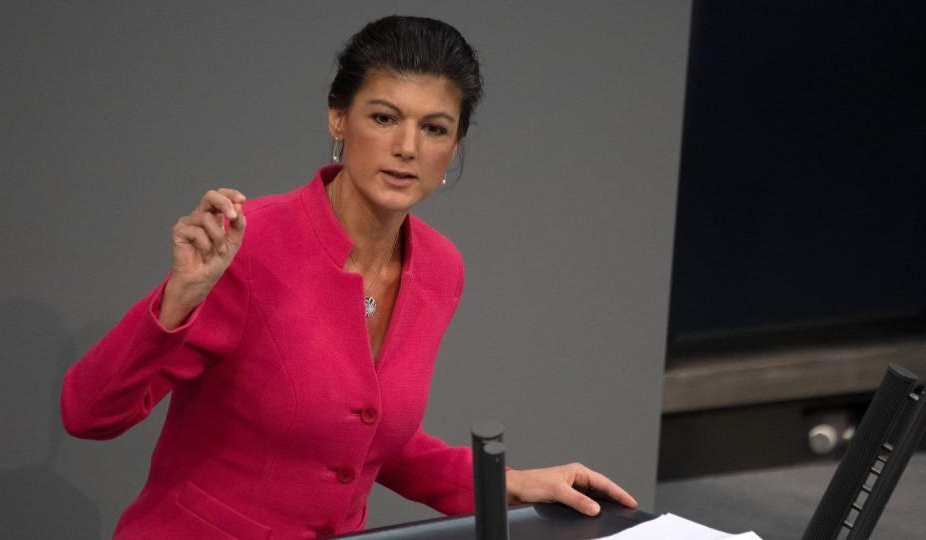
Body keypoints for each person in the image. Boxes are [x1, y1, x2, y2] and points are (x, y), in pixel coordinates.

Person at [61, 15, 637, 539]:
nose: (406, 148)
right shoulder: (247, 244)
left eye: (434, 128)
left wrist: (509, 484)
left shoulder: (441, 267)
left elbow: (369, 439)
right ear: (339, 117)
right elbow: (89, 416)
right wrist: (179, 296)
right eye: (384, 118)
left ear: (455, 144)